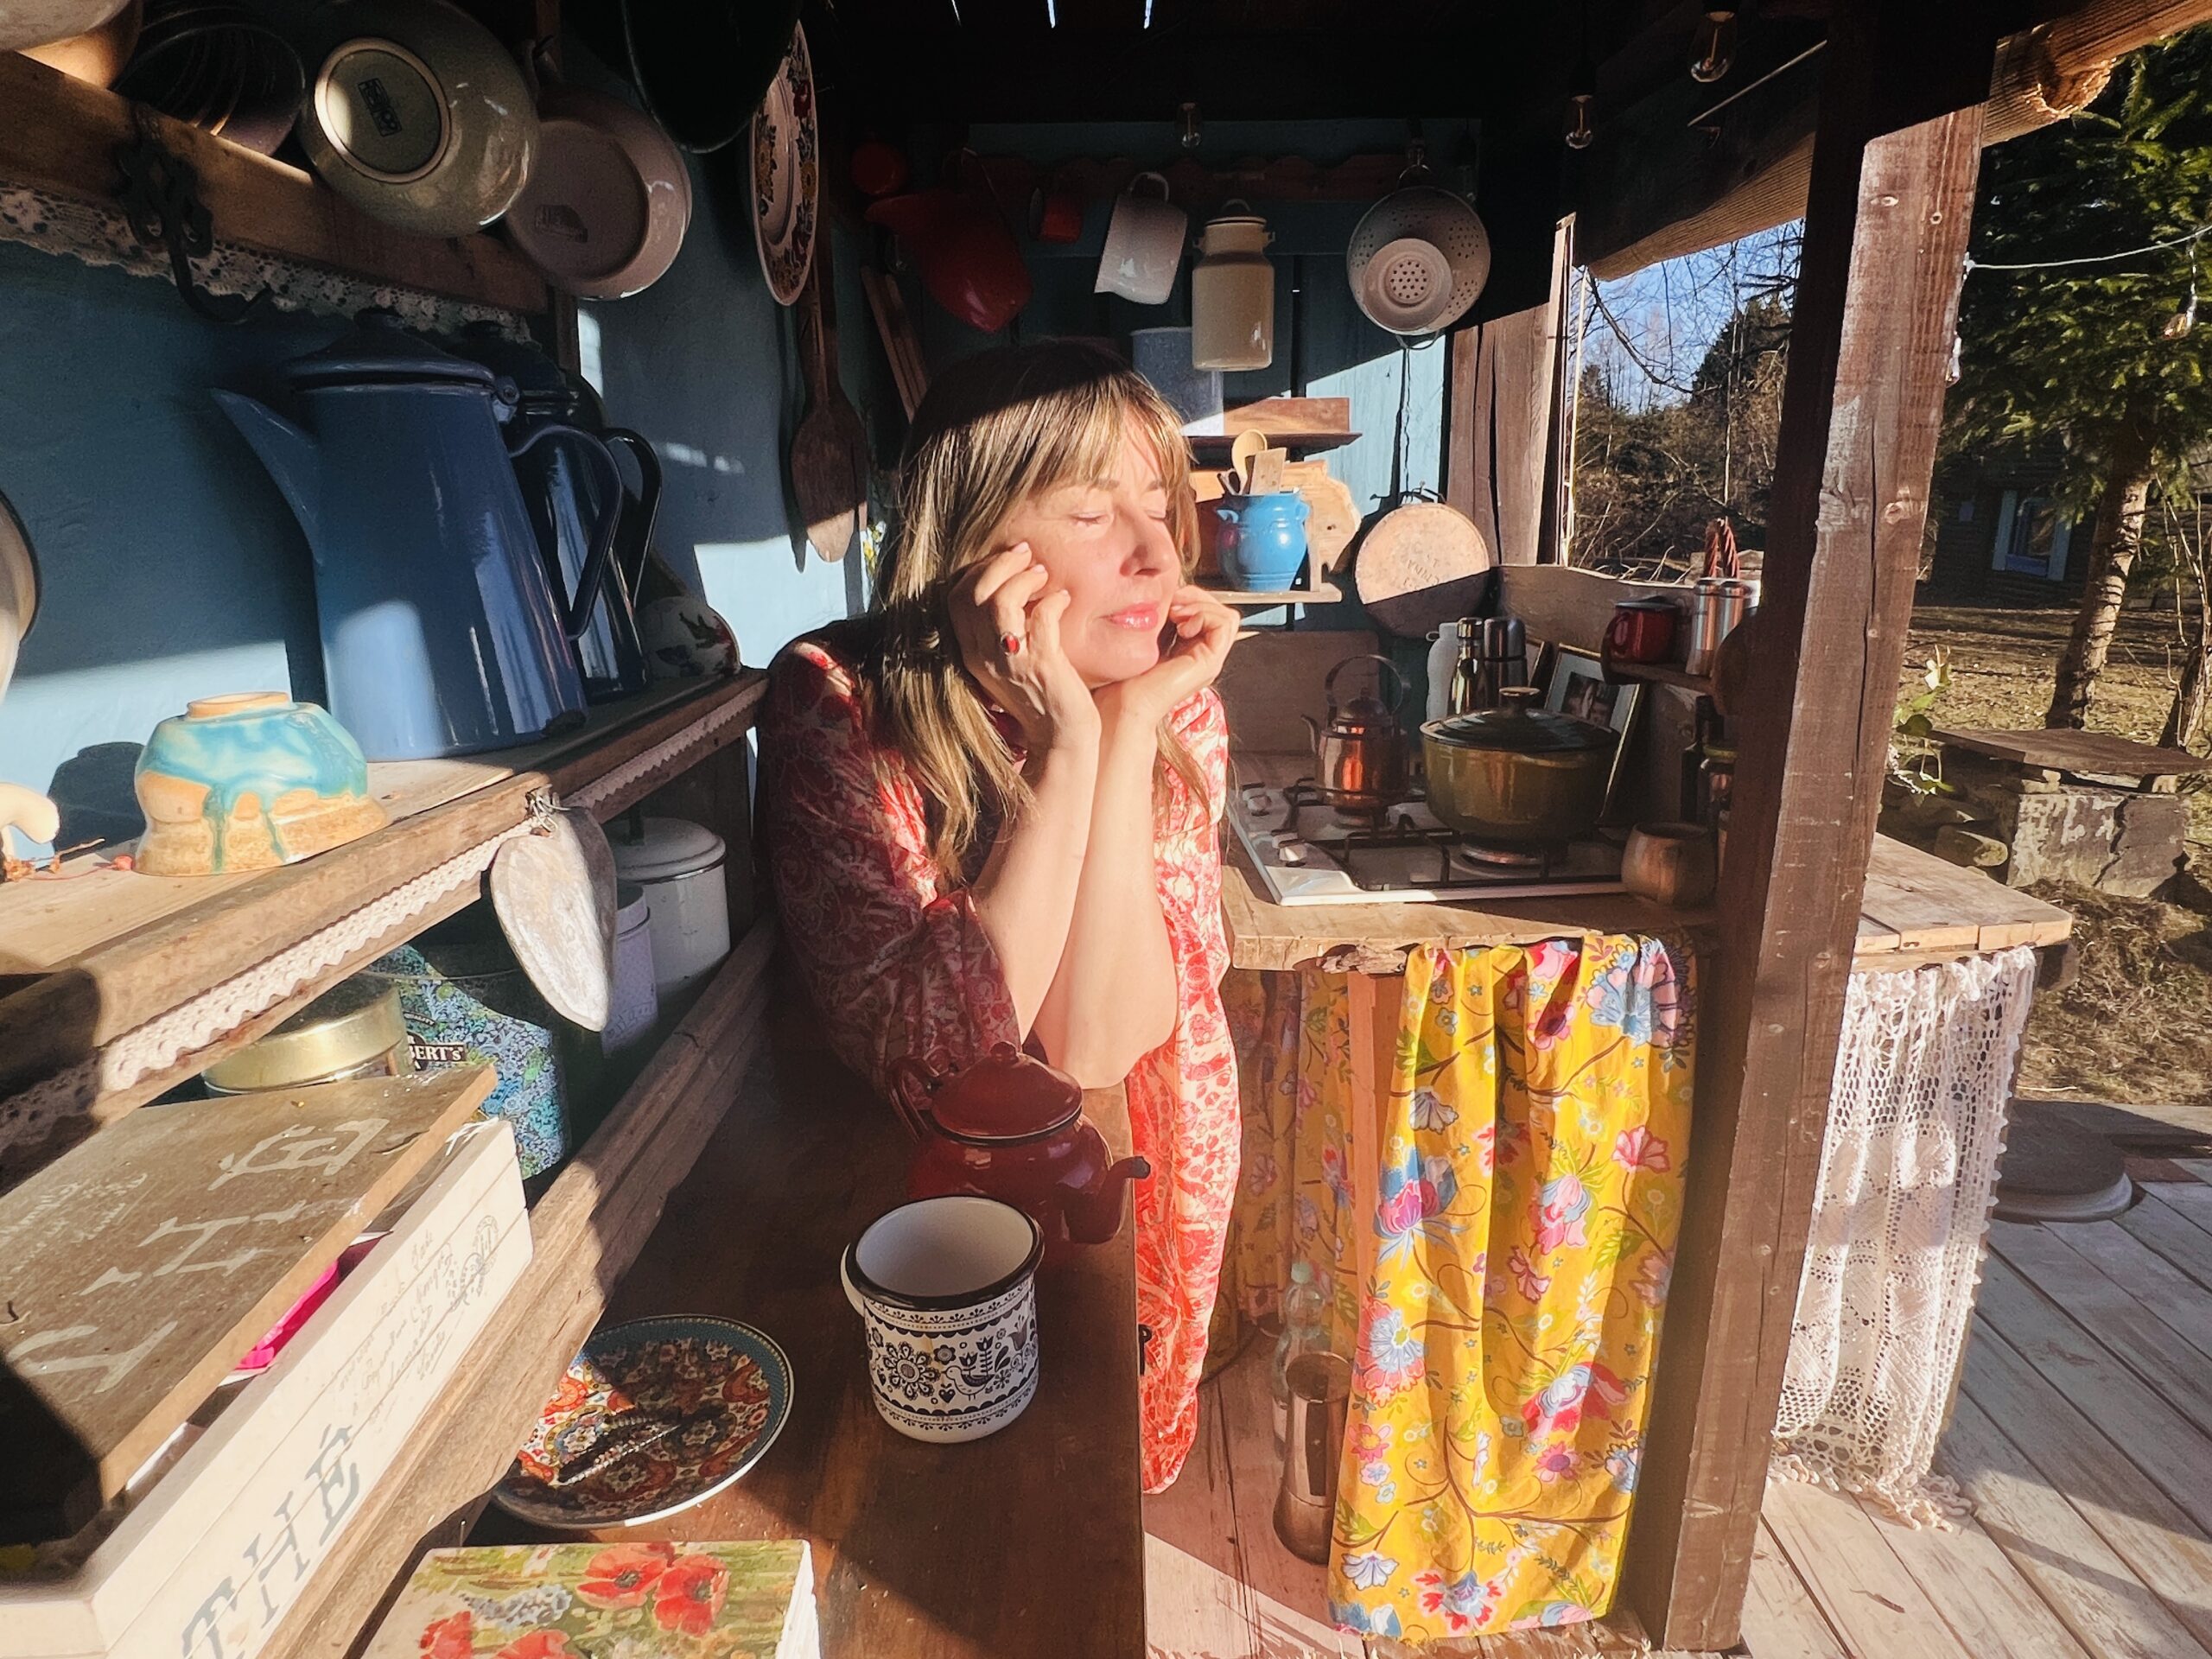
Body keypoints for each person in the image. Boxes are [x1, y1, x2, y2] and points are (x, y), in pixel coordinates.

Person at [757, 341, 1243, 1491]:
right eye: (1093, 511)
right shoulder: (839, 705)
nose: (1156, 552)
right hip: (921, 1226)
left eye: (1159, 503)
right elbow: (954, 1060)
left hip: (1133, 1181)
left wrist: (1124, 729)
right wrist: (1066, 748)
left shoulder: (1175, 709)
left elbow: (1096, 1044)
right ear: (975, 541)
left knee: (1104, 1489)